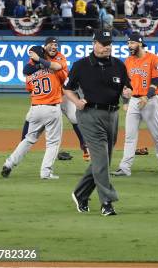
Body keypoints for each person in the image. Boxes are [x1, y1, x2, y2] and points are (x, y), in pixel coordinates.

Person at [65, 30, 132, 216]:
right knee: (102, 160)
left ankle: (81, 194)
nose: (107, 46)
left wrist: (126, 96)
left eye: (109, 43)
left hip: (112, 115)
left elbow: (127, 88)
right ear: (94, 44)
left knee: (103, 161)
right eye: (103, 43)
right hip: (89, 115)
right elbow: (67, 89)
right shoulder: (81, 65)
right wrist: (77, 102)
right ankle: (107, 203)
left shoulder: (118, 65)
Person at [1, 46, 67, 179]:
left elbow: (29, 89)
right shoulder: (53, 69)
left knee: (28, 139)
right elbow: (62, 75)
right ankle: (46, 173)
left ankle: (9, 163)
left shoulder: (30, 76)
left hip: (35, 109)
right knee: (53, 143)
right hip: (52, 108)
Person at [21, 37, 90, 161]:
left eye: (56, 45)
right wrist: (40, 62)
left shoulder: (59, 56)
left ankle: (85, 146)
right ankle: (22, 146)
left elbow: (57, 66)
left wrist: (39, 62)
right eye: (51, 45)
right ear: (45, 46)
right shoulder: (39, 55)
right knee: (28, 117)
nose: (54, 47)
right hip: (49, 96)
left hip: (64, 94)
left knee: (74, 118)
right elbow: (26, 70)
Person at [112, 32, 158, 177]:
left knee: (156, 135)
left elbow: (155, 81)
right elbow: (126, 85)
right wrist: (125, 101)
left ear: (140, 43)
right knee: (129, 136)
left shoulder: (153, 59)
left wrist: (146, 96)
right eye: (128, 43)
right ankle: (125, 168)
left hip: (151, 101)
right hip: (134, 101)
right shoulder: (128, 61)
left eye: (132, 43)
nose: (129, 46)